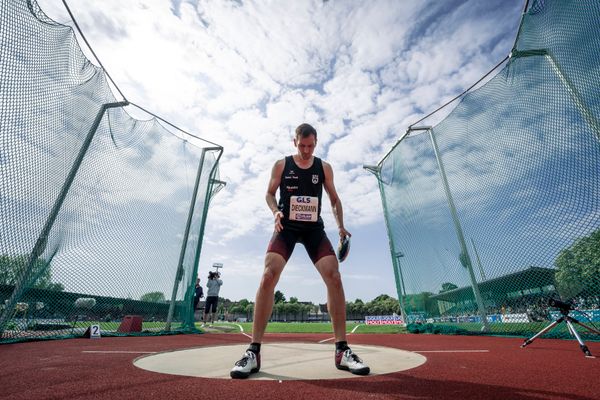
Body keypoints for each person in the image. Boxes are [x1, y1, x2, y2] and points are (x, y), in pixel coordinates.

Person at [230, 123, 369, 379]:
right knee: (268, 276)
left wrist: (340, 227)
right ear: (294, 141)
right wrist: (276, 211)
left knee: (334, 276)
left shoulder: (324, 168)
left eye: (311, 146)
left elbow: (334, 199)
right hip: (287, 226)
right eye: (302, 145)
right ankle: (253, 352)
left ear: (316, 143)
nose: (306, 150)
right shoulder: (281, 165)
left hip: (313, 229)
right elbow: (269, 194)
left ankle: (342, 350)